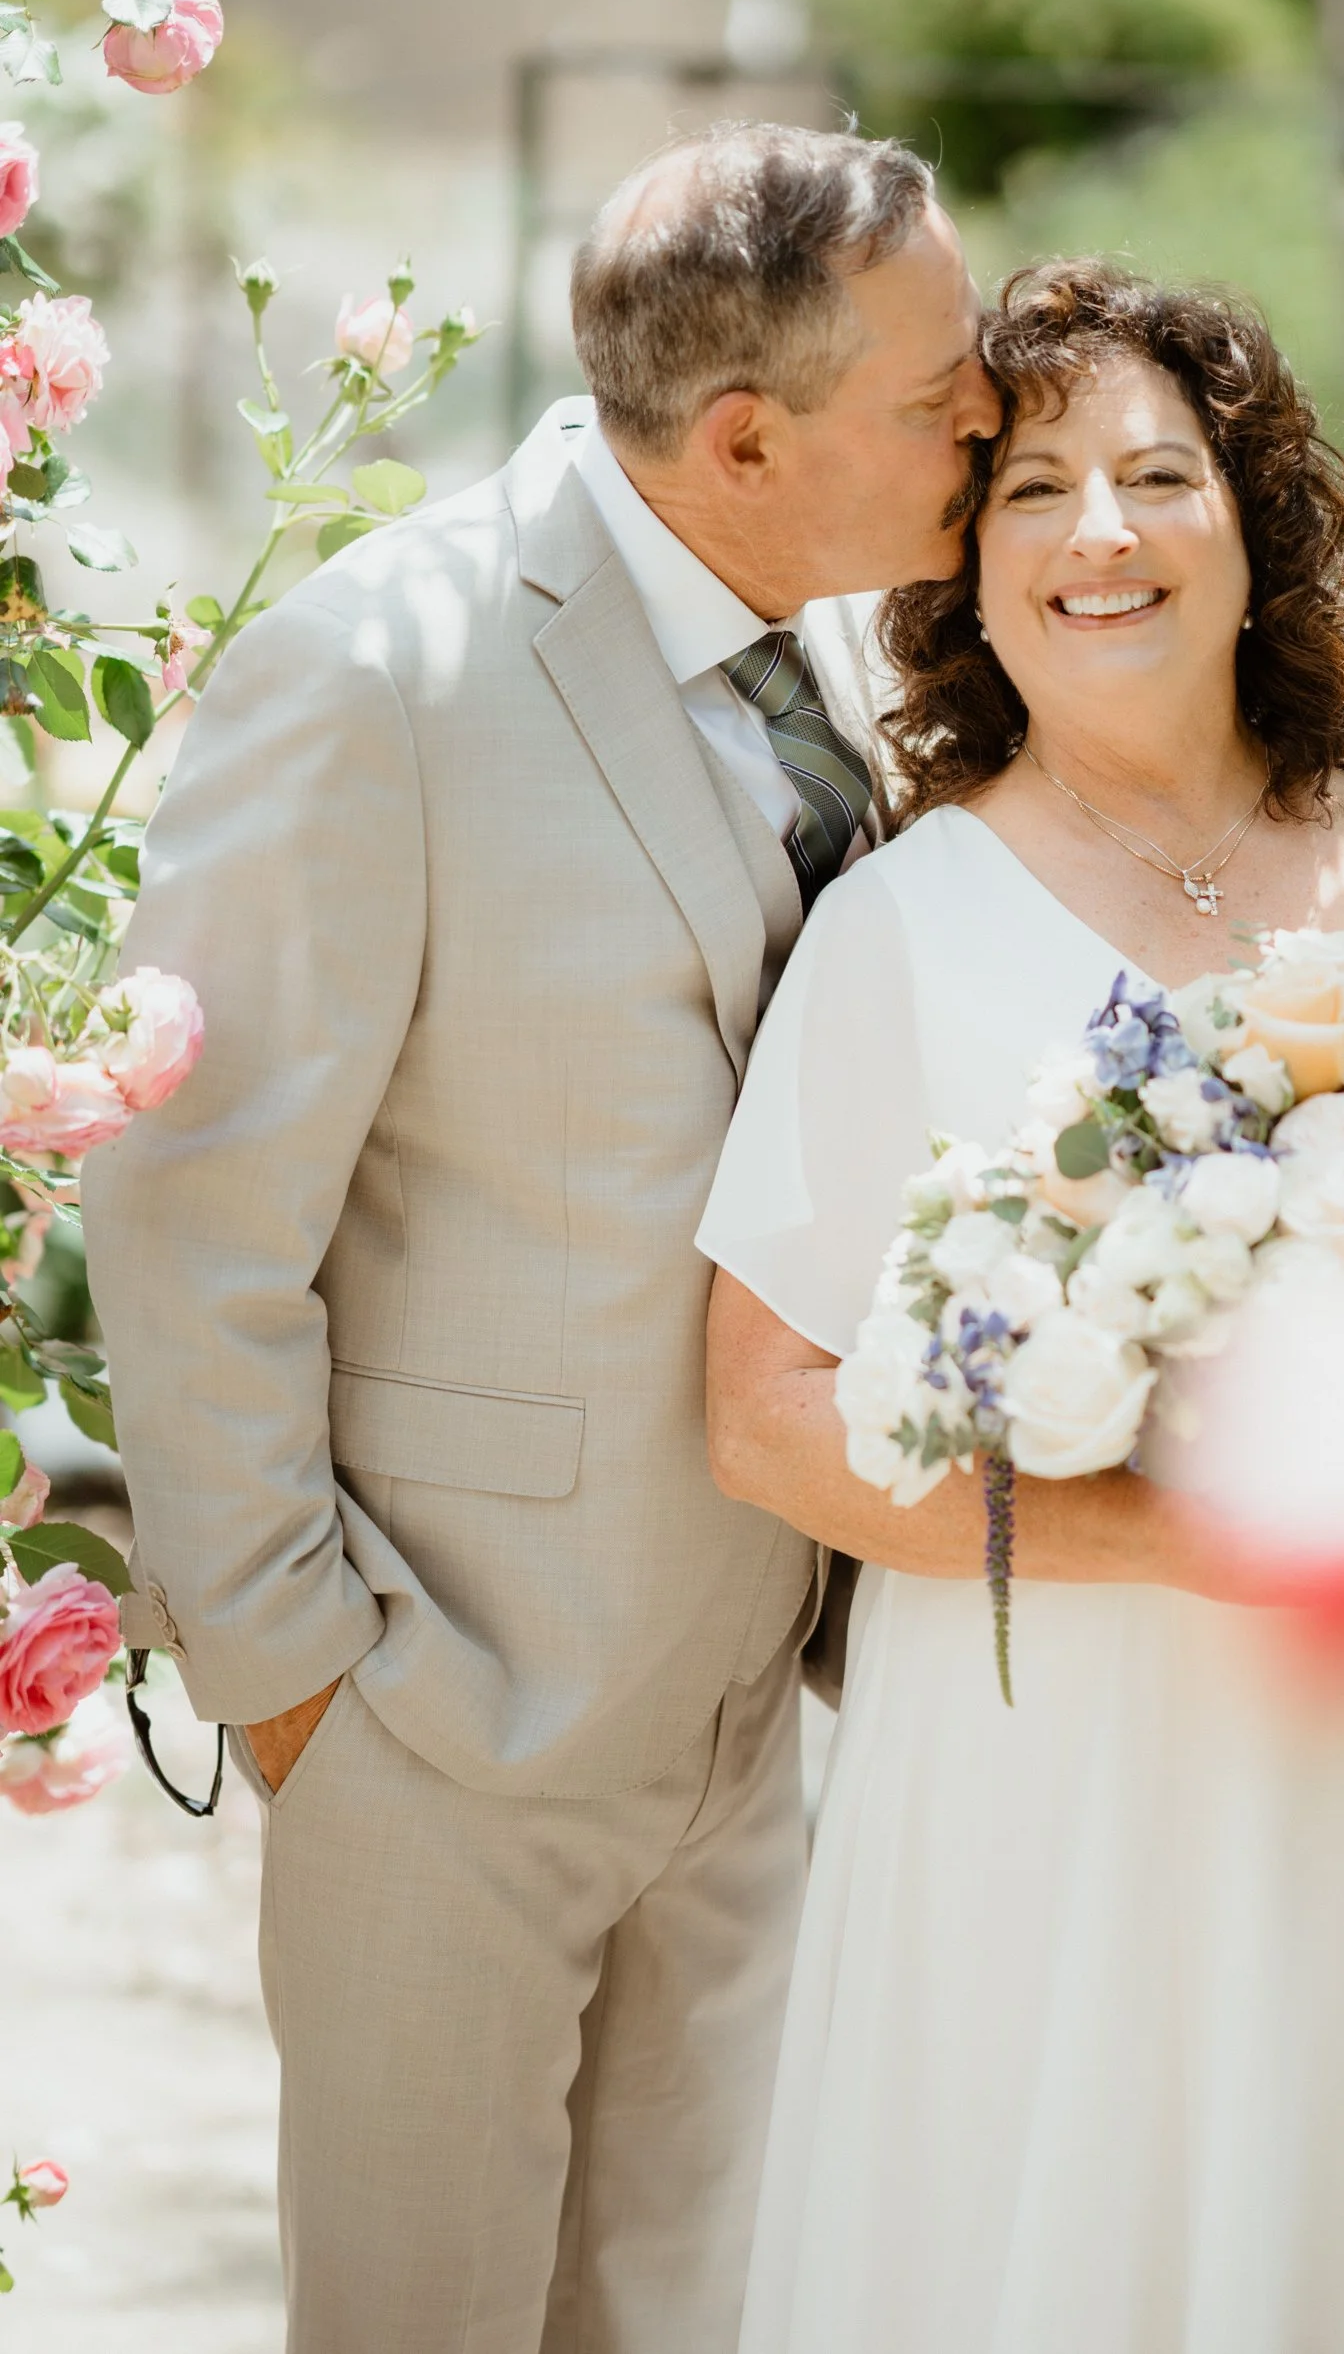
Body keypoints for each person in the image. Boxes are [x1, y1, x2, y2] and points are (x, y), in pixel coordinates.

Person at [80, 122, 1000, 2353]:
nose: (984, 417)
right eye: (935, 390)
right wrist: (305, 1685)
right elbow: (192, 1202)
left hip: (747, 1717)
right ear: (746, 435)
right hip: (439, 1721)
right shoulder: (374, 668)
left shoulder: (858, 663)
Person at [701, 261, 1344, 2354]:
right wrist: (1200, 1532)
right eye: (1030, 488)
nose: (1096, 533)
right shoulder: (897, 927)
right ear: (967, 563)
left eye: (1153, 474)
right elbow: (764, 1414)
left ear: (1250, 520)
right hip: (1062, 1761)